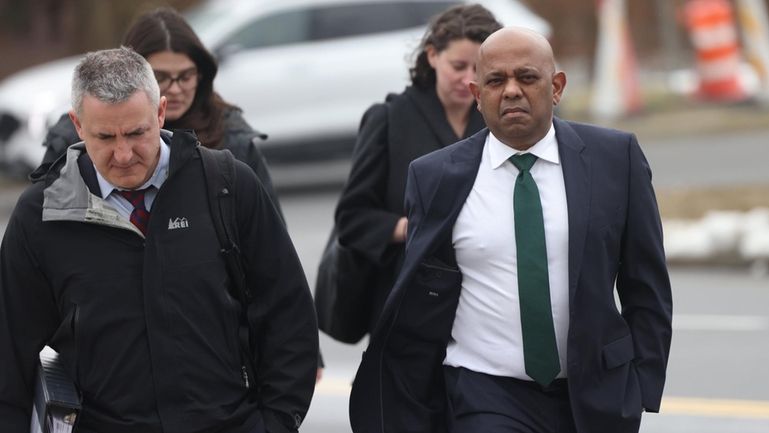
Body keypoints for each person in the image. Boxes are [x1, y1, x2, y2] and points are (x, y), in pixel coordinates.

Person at [349, 27, 672, 433]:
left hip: (596, 391)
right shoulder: (433, 176)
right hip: (484, 392)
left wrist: (640, 384)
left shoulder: (615, 159)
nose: (512, 91)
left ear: (556, 87)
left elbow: (647, 285)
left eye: (527, 77)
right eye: (496, 81)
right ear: (477, 94)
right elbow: (420, 295)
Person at [0, 47, 318, 433]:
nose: (123, 153)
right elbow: (9, 358)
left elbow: (288, 315)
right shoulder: (42, 215)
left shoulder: (227, 186)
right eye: (105, 136)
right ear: (78, 126)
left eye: (137, 133)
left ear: (161, 113)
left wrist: (276, 424)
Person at [333, 4, 502, 332]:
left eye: (478, 68)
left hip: (484, 302)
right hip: (408, 305)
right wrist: (413, 229)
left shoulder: (498, 120)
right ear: (432, 55)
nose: (469, 79)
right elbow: (352, 219)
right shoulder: (389, 119)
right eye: (458, 66)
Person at [37, 7, 281, 214]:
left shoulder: (232, 137)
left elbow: (266, 239)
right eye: (160, 77)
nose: (175, 89)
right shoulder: (73, 137)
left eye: (185, 76)